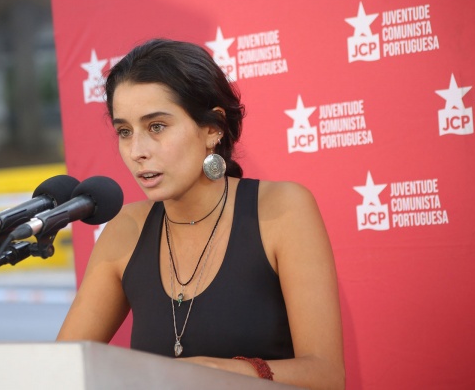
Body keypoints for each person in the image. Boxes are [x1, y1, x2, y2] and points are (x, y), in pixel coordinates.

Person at [57, 39, 344, 389]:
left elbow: (326, 377)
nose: (137, 151)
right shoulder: (125, 229)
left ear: (212, 128)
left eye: (156, 126)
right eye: (125, 132)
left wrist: (210, 371)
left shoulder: (282, 208)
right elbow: (61, 370)